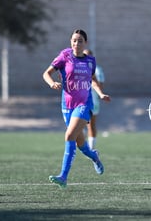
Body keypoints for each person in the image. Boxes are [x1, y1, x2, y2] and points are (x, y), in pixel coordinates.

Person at [43, 29, 111, 188]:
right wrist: (51, 83)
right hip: (66, 106)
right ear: (70, 42)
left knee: (69, 135)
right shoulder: (64, 56)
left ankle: (63, 177)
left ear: (85, 43)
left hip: (84, 105)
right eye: (74, 40)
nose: (76, 43)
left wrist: (100, 94)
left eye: (80, 41)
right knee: (81, 145)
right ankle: (94, 156)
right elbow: (46, 73)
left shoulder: (90, 61)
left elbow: (93, 81)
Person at [83, 49, 105, 150]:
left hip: (93, 101)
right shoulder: (78, 68)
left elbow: (100, 86)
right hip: (79, 101)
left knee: (91, 125)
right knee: (77, 124)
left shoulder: (97, 70)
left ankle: (91, 149)